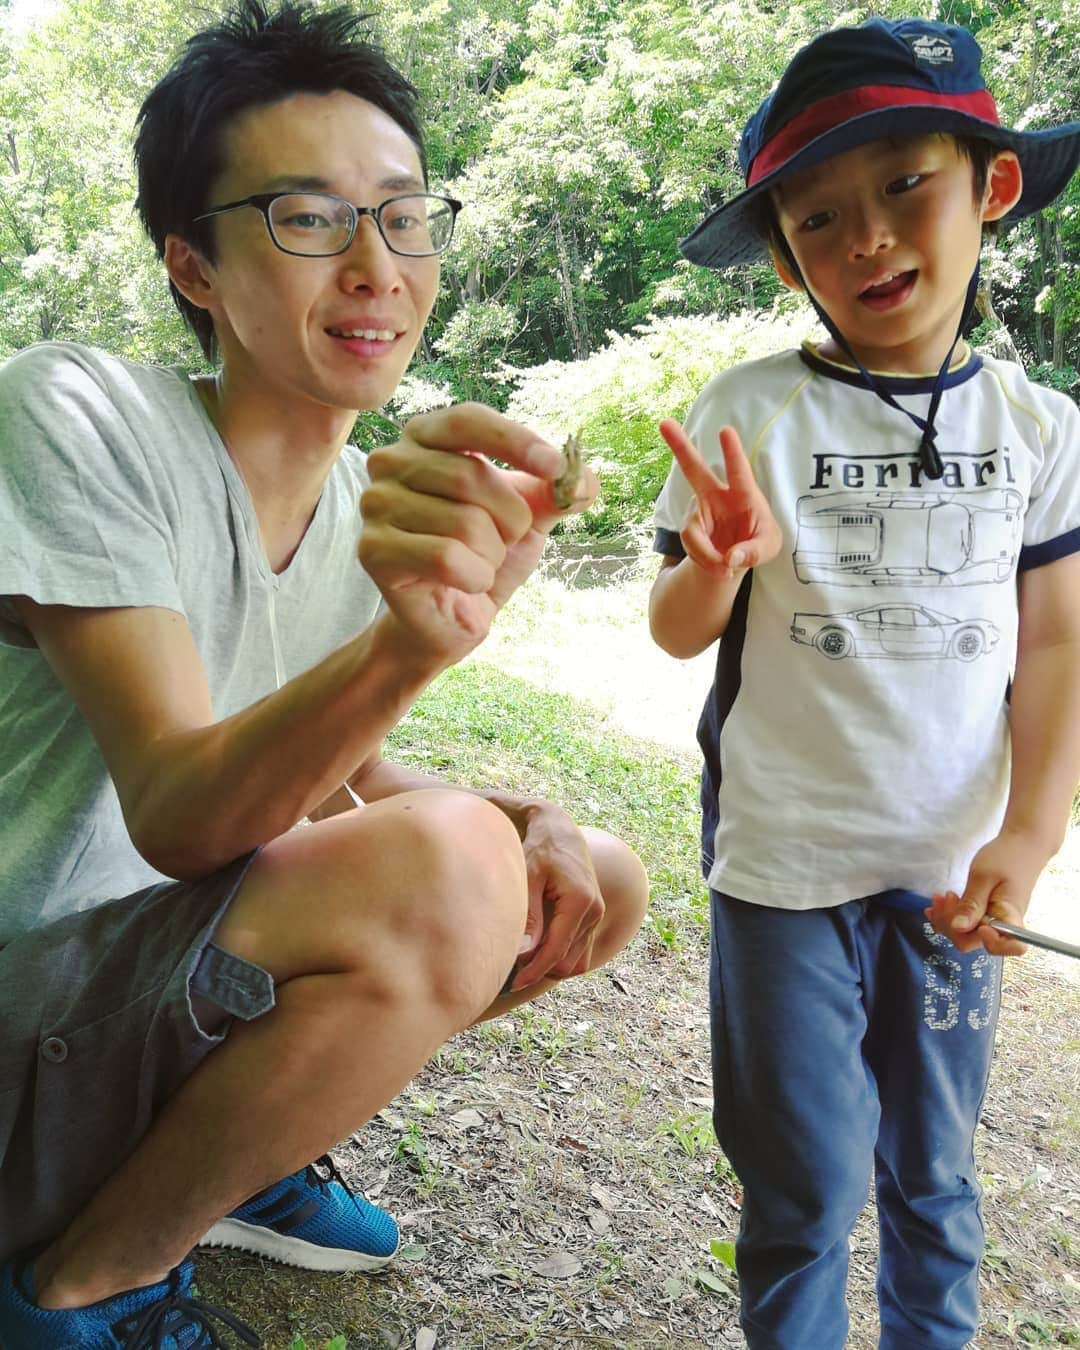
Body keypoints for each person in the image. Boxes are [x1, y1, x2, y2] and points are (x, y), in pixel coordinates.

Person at [0, 1, 649, 1344]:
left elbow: (340, 781)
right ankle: (75, 1283)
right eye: (307, 218)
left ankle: (228, 1143)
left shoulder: (366, 500)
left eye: (404, 217)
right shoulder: (80, 412)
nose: (375, 265)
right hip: (34, 979)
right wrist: (413, 647)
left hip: (152, 978)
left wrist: (523, 815)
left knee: (587, 868)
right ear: (193, 264)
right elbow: (180, 808)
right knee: (457, 870)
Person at [649, 18, 1080, 1350]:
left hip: (951, 877)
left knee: (937, 1175)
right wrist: (713, 564)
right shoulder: (752, 410)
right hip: (781, 868)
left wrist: (1031, 830)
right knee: (805, 1180)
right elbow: (675, 628)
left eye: (906, 186)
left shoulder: (1041, 431)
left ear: (989, 187)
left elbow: (1059, 642)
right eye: (820, 216)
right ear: (785, 252)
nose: (869, 239)